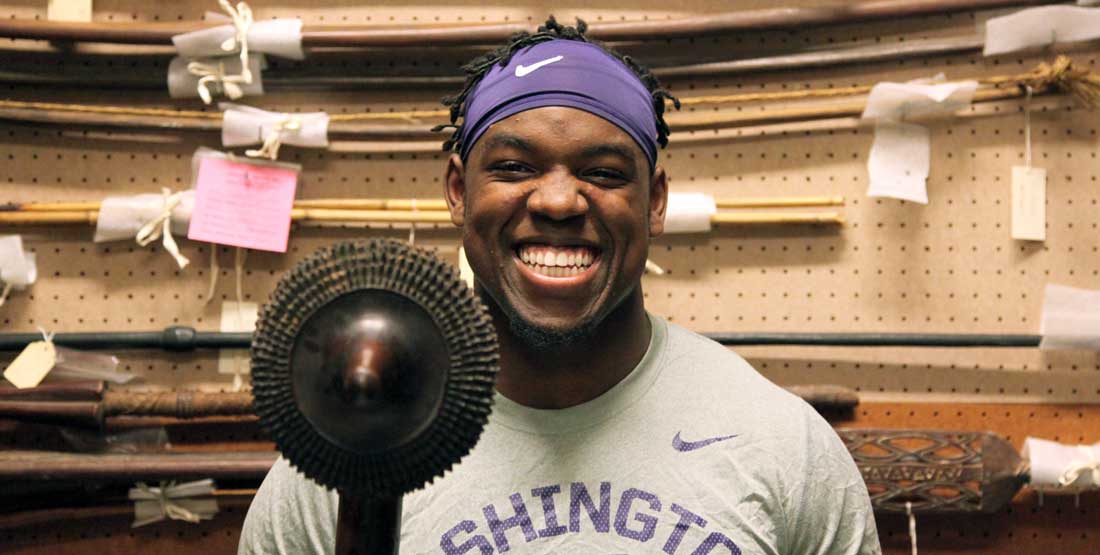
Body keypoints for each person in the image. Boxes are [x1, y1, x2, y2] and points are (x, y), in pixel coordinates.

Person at [240, 18, 880, 555]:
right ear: (458, 191)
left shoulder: (778, 444)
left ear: (654, 201)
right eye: (515, 167)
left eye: (602, 172)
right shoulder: (340, 463)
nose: (557, 200)